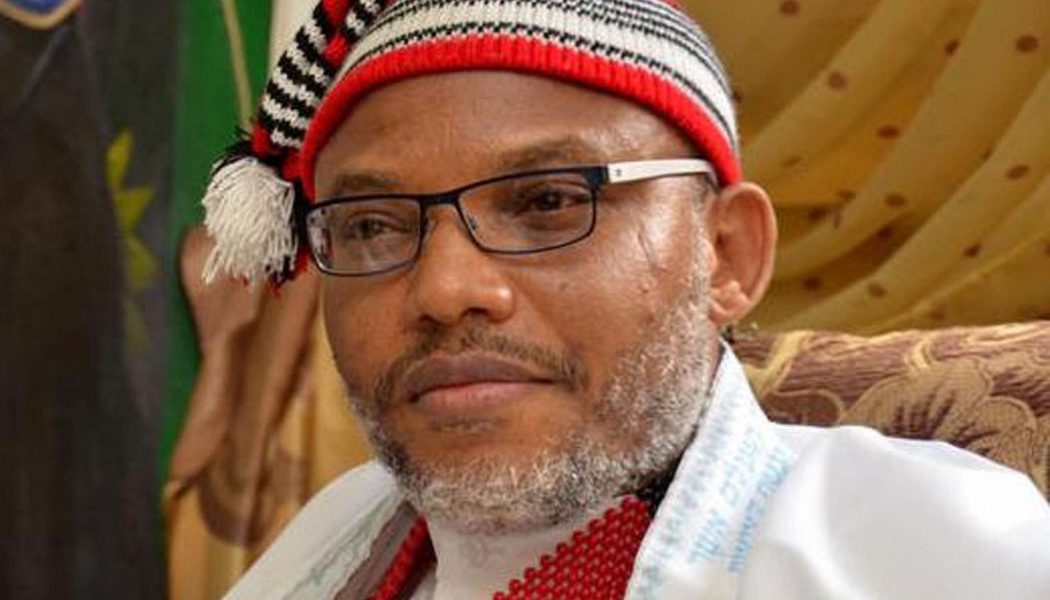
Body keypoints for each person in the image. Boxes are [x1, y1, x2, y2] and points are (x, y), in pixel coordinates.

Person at [201, 1, 1050, 598]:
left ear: (727, 254)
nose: (446, 289)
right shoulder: (331, 538)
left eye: (548, 202)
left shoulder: (931, 551)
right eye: (372, 226)